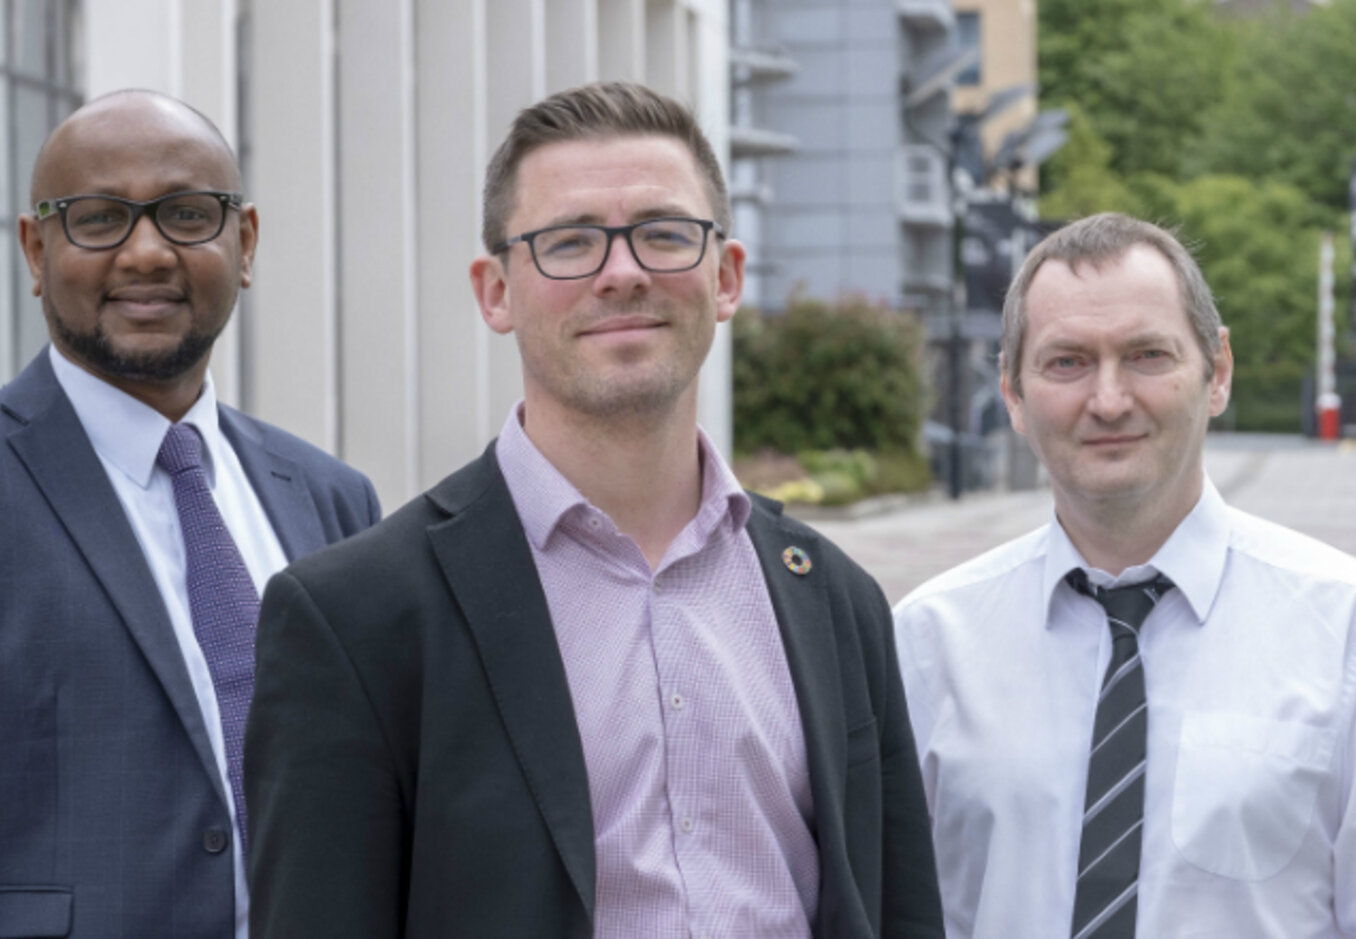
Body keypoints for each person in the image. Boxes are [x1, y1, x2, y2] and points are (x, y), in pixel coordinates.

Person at [243, 81, 944, 938]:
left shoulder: (837, 601)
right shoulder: (354, 620)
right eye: (570, 242)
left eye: (663, 234)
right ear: (496, 291)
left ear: (725, 277)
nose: (624, 273)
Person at [0, 90, 379, 938]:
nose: (146, 254)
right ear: (37, 250)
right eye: (98, 219)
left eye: (186, 215)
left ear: (243, 243)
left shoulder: (329, 496)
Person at [892, 212, 1356, 938]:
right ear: (1013, 394)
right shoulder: (929, 641)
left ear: (1217, 371)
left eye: (1148, 355)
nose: (1110, 399)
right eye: (1067, 362)